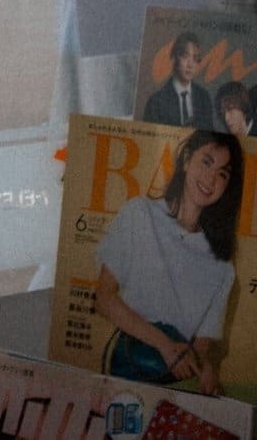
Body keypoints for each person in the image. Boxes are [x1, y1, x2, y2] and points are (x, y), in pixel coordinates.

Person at [95, 129, 242, 393]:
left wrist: (207, 368)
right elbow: (104, 298)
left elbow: (202, 347)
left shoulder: (222, 265)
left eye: (223, 174)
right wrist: (164, 345)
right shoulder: (139, 214)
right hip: (128, 372)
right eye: (206, 162)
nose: (211, 178)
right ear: (186, 160)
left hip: (177, 385)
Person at [142, 32, 216, 130]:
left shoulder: (204, 98)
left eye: (195, 58)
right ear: (174, 58)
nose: (190, 65)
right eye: (185, 56)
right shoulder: (155, 102)